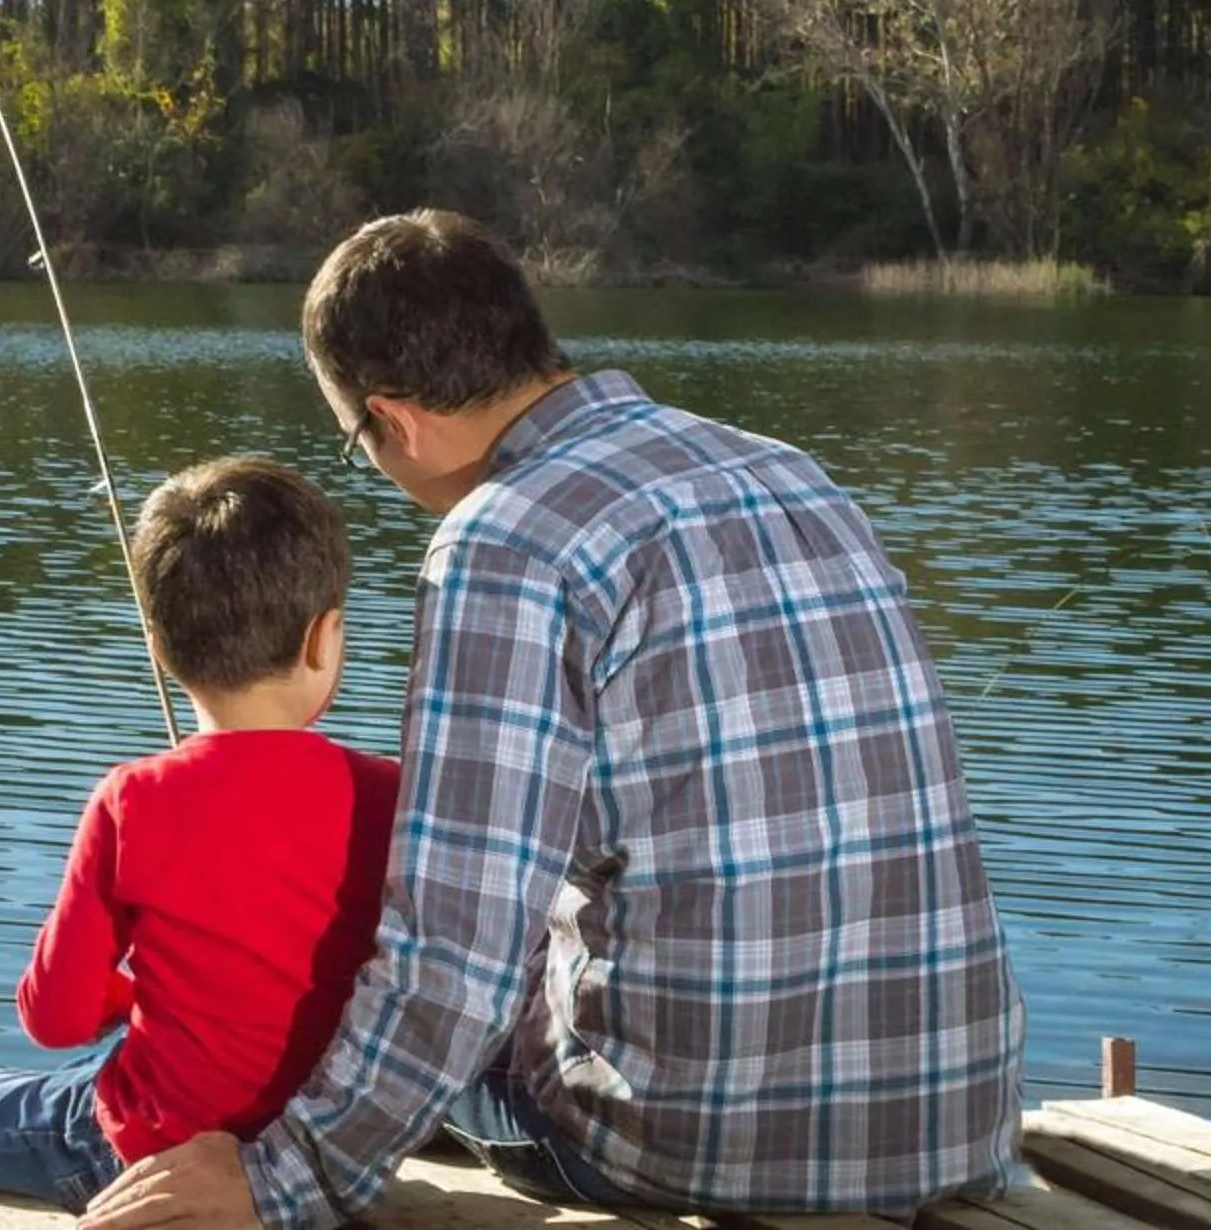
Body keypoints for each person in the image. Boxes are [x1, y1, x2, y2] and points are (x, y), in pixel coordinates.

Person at [81, 210, 1026, 1230]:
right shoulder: (790, 471)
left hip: (685, 1143)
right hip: (952, 1121)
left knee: (293, 1047)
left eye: (360, 445)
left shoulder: (504, 541)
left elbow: (454, 955)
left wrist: (276, 1182)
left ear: (395, 420)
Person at [0, 458, 402, 1211]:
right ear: (324, 639)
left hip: (146, 1157)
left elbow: (55, 1017)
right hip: (318, 1157)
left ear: (160, 646)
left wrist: (124, 989)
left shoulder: (134, 799)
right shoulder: (391, 794)